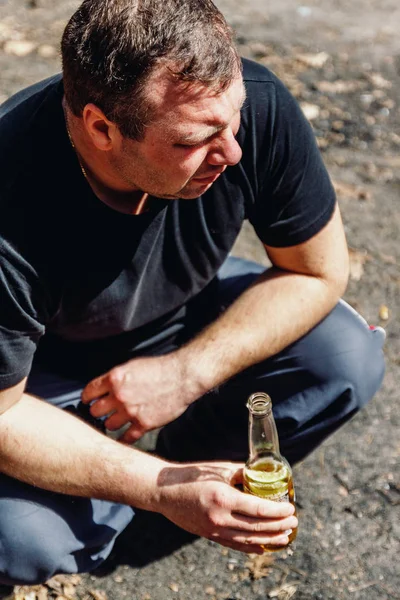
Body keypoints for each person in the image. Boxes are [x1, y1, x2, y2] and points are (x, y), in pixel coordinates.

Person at [0, 0, 385, 591]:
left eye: (235, 119)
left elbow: (317, 272)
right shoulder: (12, 194)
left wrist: (185, 374)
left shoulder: (247, 106)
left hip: (181, 312)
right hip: (38, 368)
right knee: (20, 541)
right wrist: (157, 488)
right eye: (196, 140)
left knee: (344, 355)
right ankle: (149, 492)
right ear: (101, 128)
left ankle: (184, 470)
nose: (231, 151)